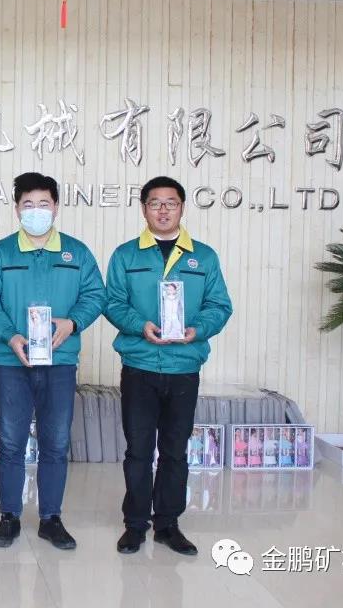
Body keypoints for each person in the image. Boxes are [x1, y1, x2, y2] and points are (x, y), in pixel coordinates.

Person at [0, 172, 105, 550]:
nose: (36, 211)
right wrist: (9, 335)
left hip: (60, 362)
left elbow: (96, 295)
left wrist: (73, 322)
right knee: (11, 441)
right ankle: (9, 517)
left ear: (56, 207)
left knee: (56, 441)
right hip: (12, 362)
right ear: (17, 210)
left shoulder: (77, 253)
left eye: (43, 204)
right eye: (28, 205)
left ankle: (51, 518)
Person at [105, 176, 232, 556]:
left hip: (183, 368)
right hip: (140, 366)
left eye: (171, 203)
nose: (163, 210)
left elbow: (219, 305)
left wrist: (198, 330)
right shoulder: (126, 255)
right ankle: (135, 525)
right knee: (139, 450)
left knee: (175, 451)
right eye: (155, 203)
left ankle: (168, 525)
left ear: (182, 207)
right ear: (143, 209)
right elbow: (112, 303)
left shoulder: (203, 257)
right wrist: (139, 326)